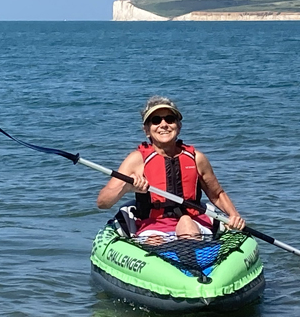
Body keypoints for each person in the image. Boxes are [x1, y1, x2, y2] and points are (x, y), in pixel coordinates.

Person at [97, 96, 246, 243]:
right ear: (147, 130)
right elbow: (103, 202)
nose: (163, 125)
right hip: (153, 226)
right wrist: (127, 187)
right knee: (154, 242)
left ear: (178, 126)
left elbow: (217, 195)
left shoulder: (196, 158)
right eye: (156, 120)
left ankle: (193, 259)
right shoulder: (137, 160)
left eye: (170, 119)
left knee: (186, 223)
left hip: (194, 223)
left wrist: (234, 216)